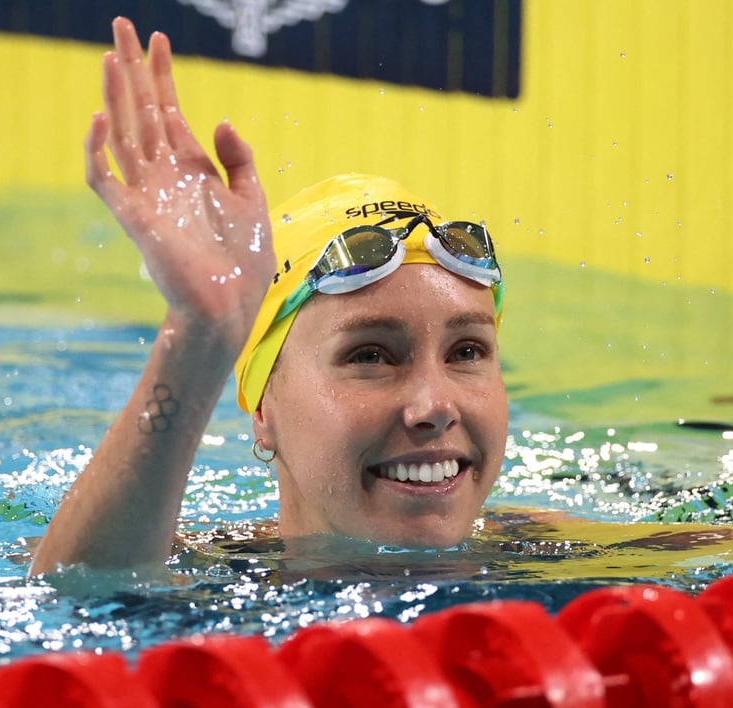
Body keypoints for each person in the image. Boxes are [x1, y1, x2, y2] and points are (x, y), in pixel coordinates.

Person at [29, 17, 508, 576]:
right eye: (370, 356)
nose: (434, 407)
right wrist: (199, 337)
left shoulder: (569, 552)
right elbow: (75, 598)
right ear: (263, 411)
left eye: (467, 351)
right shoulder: (194, 570)